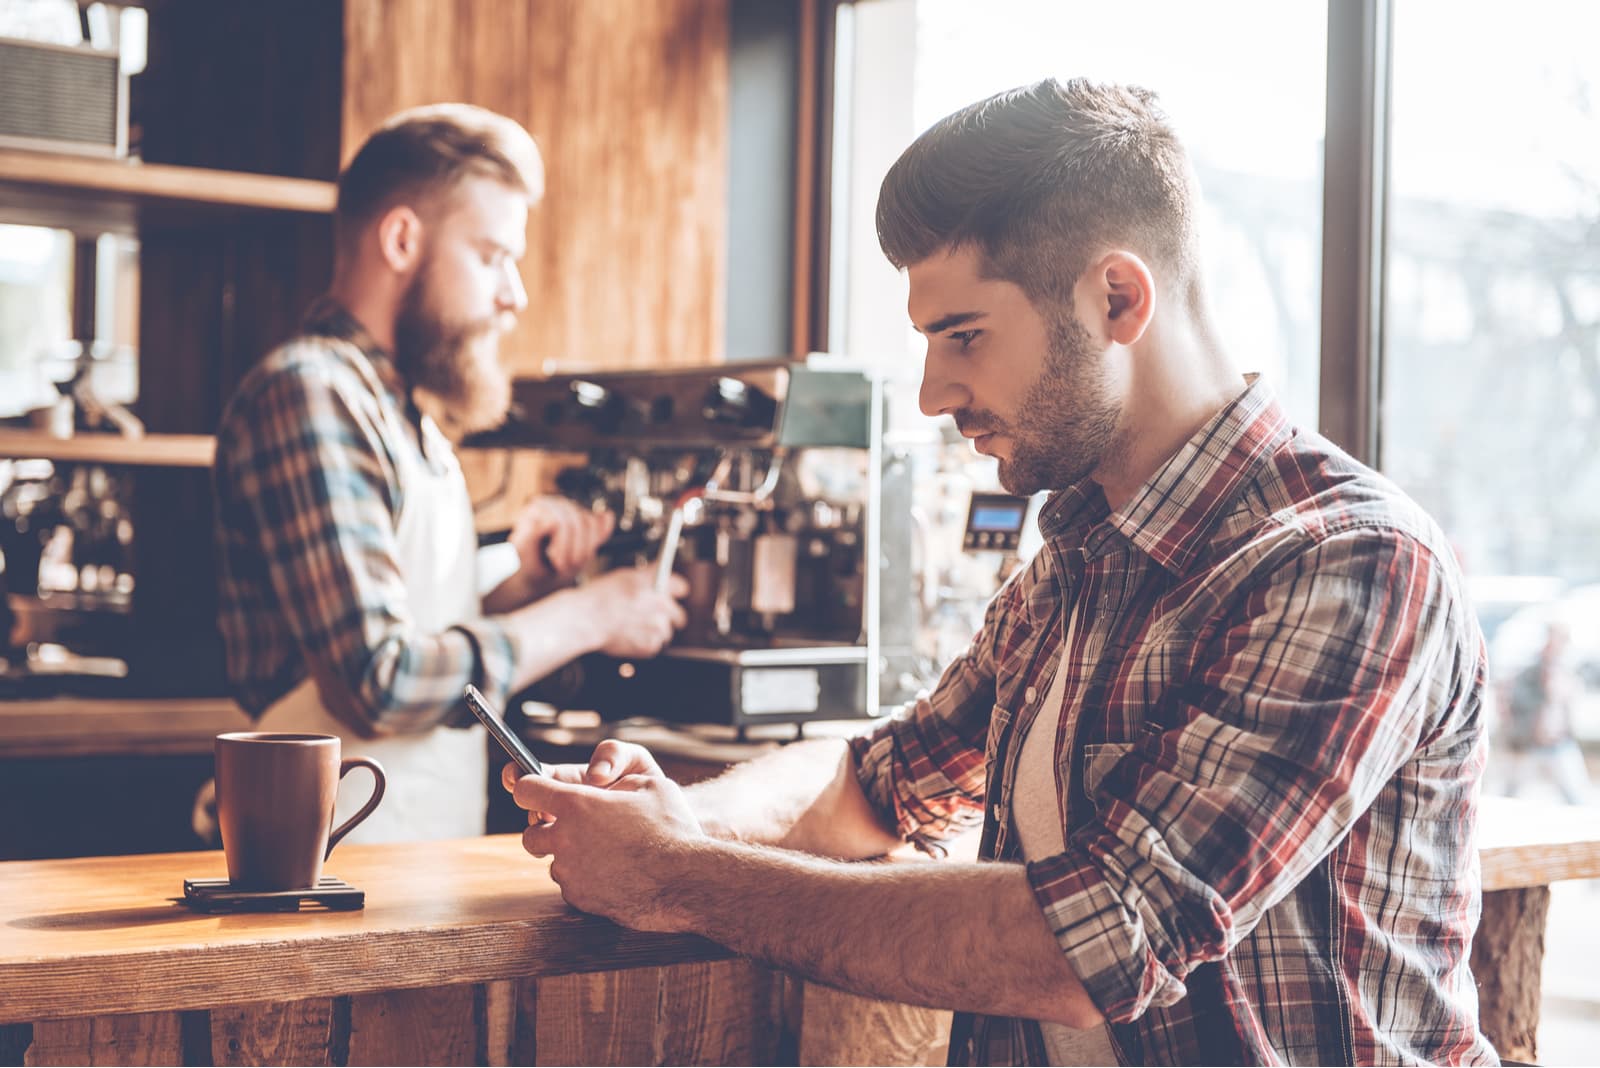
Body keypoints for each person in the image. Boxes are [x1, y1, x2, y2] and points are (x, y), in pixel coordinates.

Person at [500, 79, 1497, 1065]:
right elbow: (878, 779)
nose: (934, 394)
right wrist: (680, 819)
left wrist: (680, 876)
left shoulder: (1342, 562)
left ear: (1117, 298)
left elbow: (1097, 946)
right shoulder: (1077, 556)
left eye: (962, 336)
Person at [211, 104, 687, 844]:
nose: (514, 294)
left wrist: (521, 585)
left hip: (414, 855)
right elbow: (380, 680)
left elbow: (419, 621)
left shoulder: (401, 413)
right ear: (403, 239)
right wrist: (589, 615)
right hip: (326, 864)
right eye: (493, 255)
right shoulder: (311, 390)